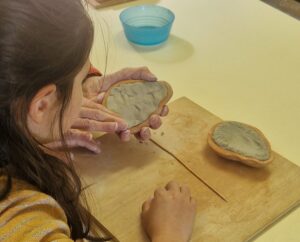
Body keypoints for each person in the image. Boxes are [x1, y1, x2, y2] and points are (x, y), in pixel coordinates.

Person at [0, 0, 196, 241]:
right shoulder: (23, 219)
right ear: (41, 104)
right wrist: (170, 233)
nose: (85, 93)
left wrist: (41, 129)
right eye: (81, 81)